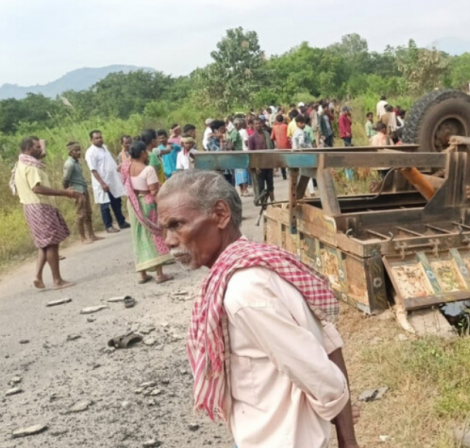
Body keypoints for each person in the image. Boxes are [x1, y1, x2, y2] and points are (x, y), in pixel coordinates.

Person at [156, 170, 360, 448]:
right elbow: (328, 344)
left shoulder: (244, 291)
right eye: (164, 229)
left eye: (177, 224)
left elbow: (320, 375)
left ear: (220, 214)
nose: (168, 240)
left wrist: (340, 420)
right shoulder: (259, 264)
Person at [15, 137, 80, 290]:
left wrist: (40, 143)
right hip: (40, 207)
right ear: (29, 149)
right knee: (51, 244)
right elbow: (37, 188)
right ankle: (57, 280)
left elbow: (41, 153)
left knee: (44, 244)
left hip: (30, 206)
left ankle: (37, 276)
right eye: (37, 147)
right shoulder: (32, 168)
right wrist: (64, 193)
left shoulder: (22, 163)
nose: (41, 150)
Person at [120, 140, 174, 285]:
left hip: (133, 203)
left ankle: (142, 274)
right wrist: (164, 208)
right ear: (143, 153)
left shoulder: (126, 167)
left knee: (137, 236)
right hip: (147, 203)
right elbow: (154, 191)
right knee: (153, 234)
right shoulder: (148, 169)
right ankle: (159, 273)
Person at [85, 130, 129, 233]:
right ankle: (108, 226)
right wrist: (102, 183)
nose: (99, 139)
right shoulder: (91, 152)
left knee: (117, 201)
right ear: (91, 140)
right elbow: (93, 169)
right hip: (102, 182)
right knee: (105, 205)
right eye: (96, 138)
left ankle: (121, 222)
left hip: (112, 180)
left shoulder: (104, 148)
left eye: (100, 137)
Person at [63, 142, 102, 244]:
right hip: (77, 191)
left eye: (79, 150)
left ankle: (91, 235)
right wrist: (67, 192)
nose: (79, 152)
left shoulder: (78, 162)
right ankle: (82, 237)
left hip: (83, 189)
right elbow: (65, 179)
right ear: (70, 152)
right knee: (80, 215)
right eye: (76, 150)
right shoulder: (69, 164)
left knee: (88, 213)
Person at [248, 118, 275, 202]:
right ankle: (263, 203)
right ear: (253, 126)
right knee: (261, 185)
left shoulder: (266, 134)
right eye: (256, 124)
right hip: (259, 165)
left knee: (270, 184)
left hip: (268, 163)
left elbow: (271, 148)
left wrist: (273, 163)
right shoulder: (251, 138)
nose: (258, 125)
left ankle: (273, 201)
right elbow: (251, 154)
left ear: (262, 124)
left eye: (259, 123)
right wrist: (255, 166)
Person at [232, 119, 251, 197]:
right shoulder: (243, 131)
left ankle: (241, 190)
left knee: (238, 172)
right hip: (244, 152)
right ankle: (245, 189)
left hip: (236, 154)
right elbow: (246, 142)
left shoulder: (232, 132)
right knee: (244, 171)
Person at [271, 115, 291, 180]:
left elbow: (272, 137)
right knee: (289, 159)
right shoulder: (286, 126)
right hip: (287, 145)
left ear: (276, 120)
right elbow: (289, 135)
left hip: (279, 146)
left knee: (282, 161)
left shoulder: (274, 127)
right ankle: (290, 173)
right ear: (283, 120)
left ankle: (284, 175)